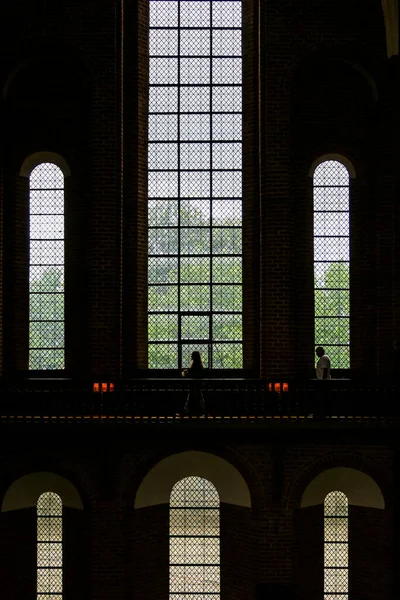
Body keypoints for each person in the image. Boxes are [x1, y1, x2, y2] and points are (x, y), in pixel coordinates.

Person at [182, 351, 206, 416]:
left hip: (194, 384)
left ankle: (187, 412)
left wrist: (186, 373)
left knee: (191, 398)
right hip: (197, 384)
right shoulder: (199, 365)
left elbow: (192, 374)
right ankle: (202, 411)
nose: (191, 356)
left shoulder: (195, 365)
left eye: (192, 355)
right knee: (198, 398)